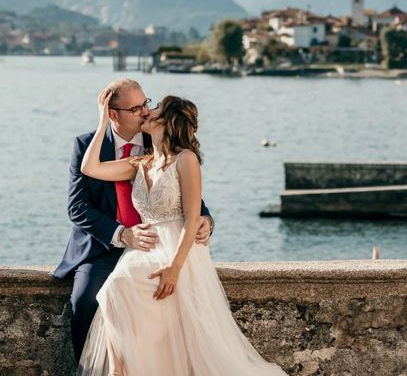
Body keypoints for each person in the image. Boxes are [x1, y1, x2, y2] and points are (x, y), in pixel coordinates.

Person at [77, 89, 285, 375]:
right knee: (113, 291)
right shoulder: (142, 163)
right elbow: (90, 168)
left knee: (118, 289)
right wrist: (103, 121)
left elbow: (192, 217)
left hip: (177, 249)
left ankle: (120, 371)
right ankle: (119, 370)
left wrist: (175, 268)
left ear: (169, 120)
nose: (147, 111)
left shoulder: (186, 160)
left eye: (155, 107)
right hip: (144, 248)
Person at [53, 79, 214, 361]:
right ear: (113, 114)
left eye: (147, 104)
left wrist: (207, 220)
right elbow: (77, 207)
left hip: (155, 247)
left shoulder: (159, 148)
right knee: (86, 300)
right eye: (135, 108)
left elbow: (186, 199)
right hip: (102, 249)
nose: (144, 112)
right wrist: (123, 234)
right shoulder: (86, 145)